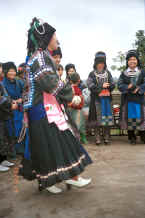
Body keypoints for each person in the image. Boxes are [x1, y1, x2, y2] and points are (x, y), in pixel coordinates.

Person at [19, 17, 92, 194]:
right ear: (46, 38)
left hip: (44, 109)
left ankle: (51, 180)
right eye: (55, 36)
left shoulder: (41, 56)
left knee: (47, 146)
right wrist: (71, 95)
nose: (57, 40)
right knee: (57, 142)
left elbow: (50, 83)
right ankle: (69, 177)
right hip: (41, 110)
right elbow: (49, 82)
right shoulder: (40, 58)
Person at [87, 51, 115, 145]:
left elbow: (113, 84)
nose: (100, 65)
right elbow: (90, 86)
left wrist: (109, 85)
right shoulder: (91, 74)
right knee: (96, 118)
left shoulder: (108, 73)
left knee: (106, 117)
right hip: (96, 100)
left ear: (105, 63)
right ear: (95, 63)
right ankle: (97, 136)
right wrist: (101, 86)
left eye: (102, 63)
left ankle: (106, 135)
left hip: (106, 100)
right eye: (99, 63)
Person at [118, 50, 145, 145]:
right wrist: (127, 87)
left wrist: (139, 88)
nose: (132, 61)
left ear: (137, 60)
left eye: (134, 59)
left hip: (140, 100)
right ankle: (132, 137)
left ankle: (143, 135)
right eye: (130, 59)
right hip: (128, 100)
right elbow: (120, 85)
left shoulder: (142, 72)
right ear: (127, 61)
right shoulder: (124, 73)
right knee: (130, 118)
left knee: (141, 117)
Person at [2, 62, 25, 157]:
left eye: (13, 71)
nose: (12, 73)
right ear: (6, 72)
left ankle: (21, 149)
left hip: (20, 109)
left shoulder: (19, 82)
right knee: (11, 131)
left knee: (21, 129)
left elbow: (25, 92)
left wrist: (21, 99)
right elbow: (4, 98)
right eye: (10, 71)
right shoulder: (2, 84)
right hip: (9, 111)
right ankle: (13, 151)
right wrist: (13, 101)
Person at [0, 82, 16, 172]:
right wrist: (10, 105)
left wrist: (11, 101)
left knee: (4, 138)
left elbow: (5, 96)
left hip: (3, 115)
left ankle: (3, 160)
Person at [68, 73, 88, 144]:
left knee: (73, 124)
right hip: (78, 109)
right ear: (79, 80)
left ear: (70, 81)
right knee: (80, 124)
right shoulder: (78, 89)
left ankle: (76, 139)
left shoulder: (69, 89)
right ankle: (82, 138)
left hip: (70, 109)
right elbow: (81, 99)